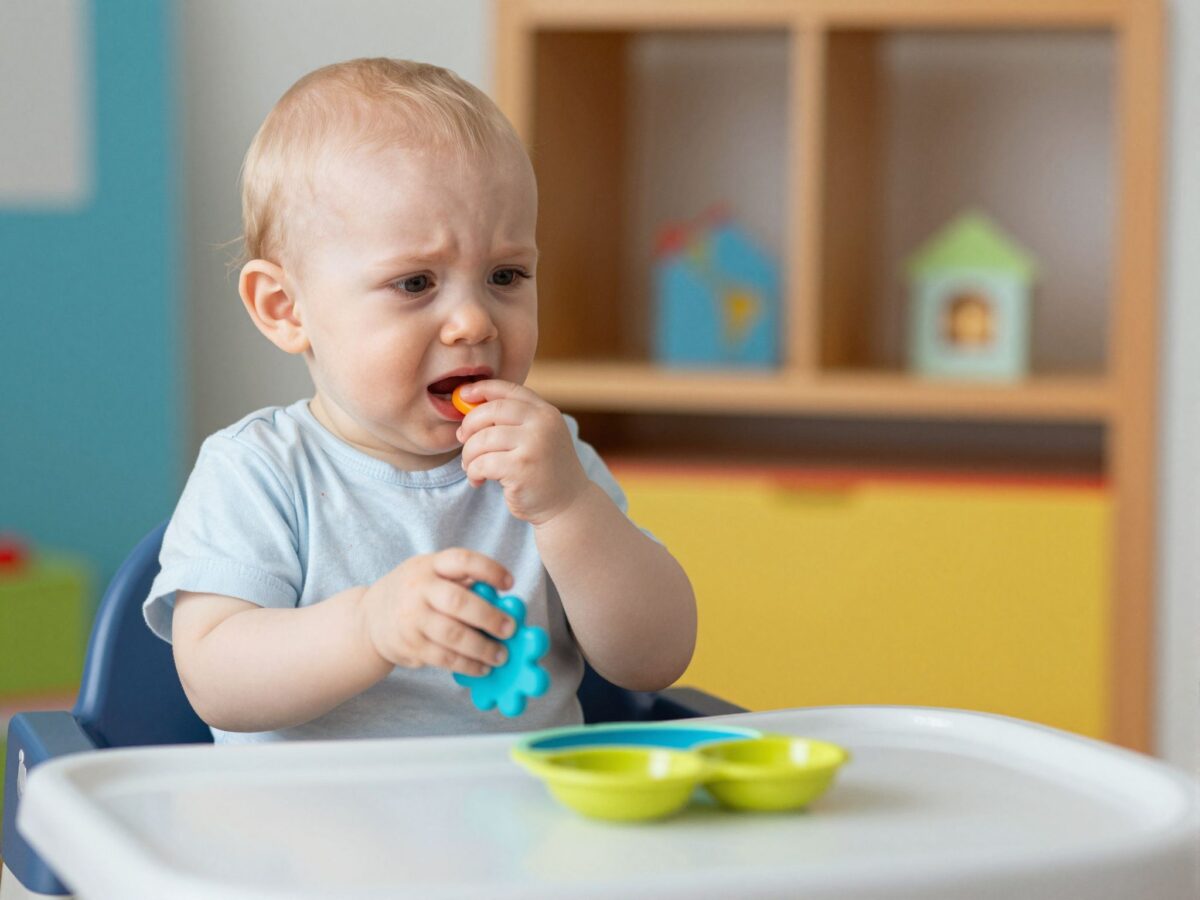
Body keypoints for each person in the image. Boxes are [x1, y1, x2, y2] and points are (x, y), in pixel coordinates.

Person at [142, 58, 697, 743]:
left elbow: (655, 660)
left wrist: (567, 508)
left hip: (518, 833)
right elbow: (214, 680)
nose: (474, 322)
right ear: (285, 308)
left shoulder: (550, 462)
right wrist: (370, 626)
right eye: (415, 283)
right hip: (308, 839)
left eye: (505, 275)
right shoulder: (257, 472)